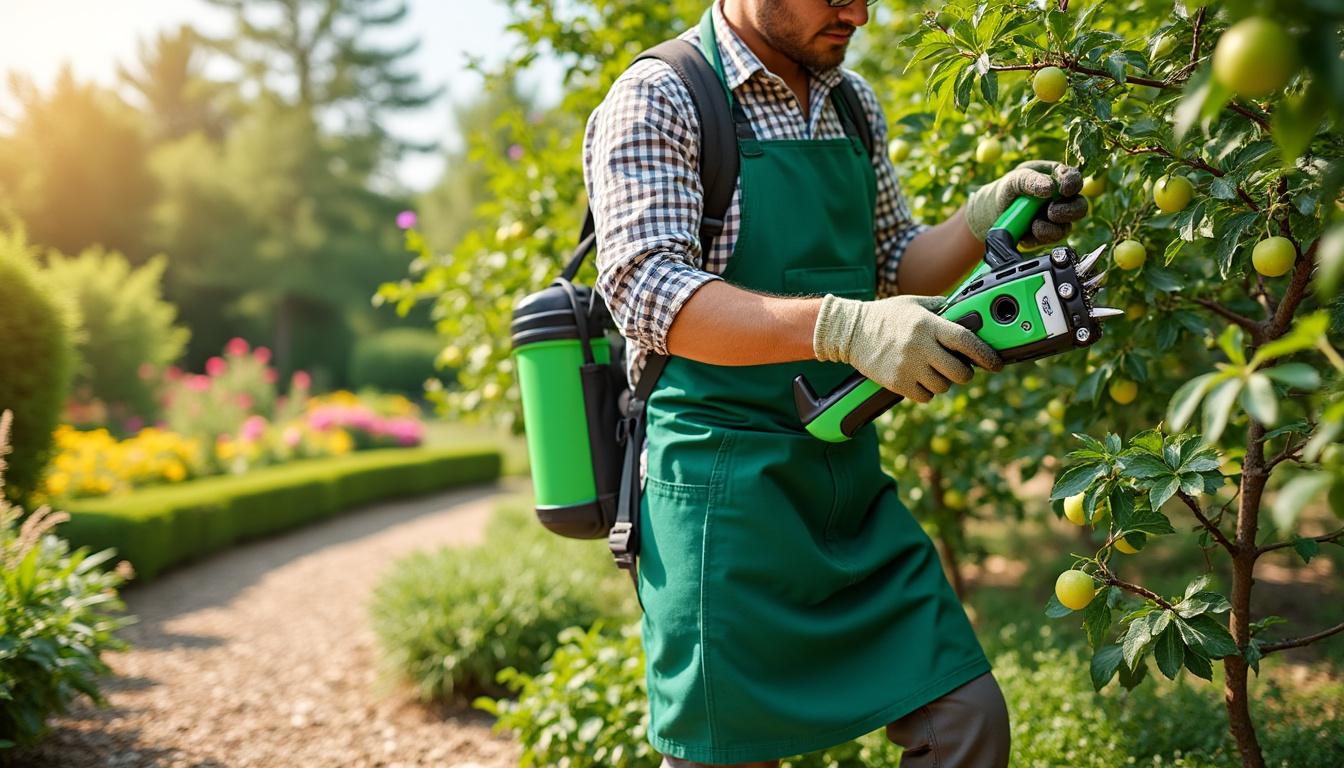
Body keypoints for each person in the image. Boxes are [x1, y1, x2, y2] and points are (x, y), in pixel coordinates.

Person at [581, 1, 1088, 766]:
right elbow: (648, 290)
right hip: (722, 490)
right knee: (724, 755)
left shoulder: (850, 102)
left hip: (844, 479)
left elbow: (894, 262)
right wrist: (844, 328)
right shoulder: (664, 94)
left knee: (965, 716)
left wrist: (982, 219)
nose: (857, 12)